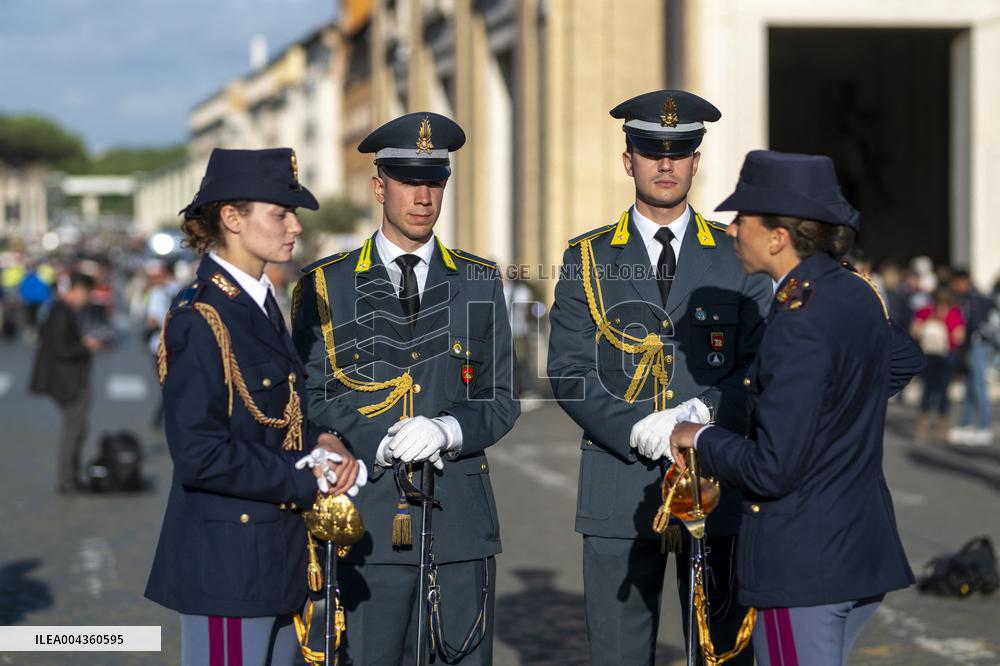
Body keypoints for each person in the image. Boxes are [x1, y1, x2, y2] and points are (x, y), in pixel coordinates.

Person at [670, 150, 925, 666]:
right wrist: (835, 419)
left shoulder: (797, 321)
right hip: (857, 548)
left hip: (804, 563)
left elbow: (772, 469)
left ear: (778, 237)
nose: (732, 228)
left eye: (743, 218)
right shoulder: (850, 289)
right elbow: (901, 359)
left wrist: (699, 436)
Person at [547, 90, 771, 665]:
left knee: (721, 653)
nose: (665, 164)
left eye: (679, 152)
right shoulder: (588, 257)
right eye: (651, 151)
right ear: (629, 161)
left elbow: (760, 364)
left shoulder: (738, 256)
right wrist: (636, 426)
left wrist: (705, 411)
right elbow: (569, 371)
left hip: (715, 479)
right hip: (620, 481)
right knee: (618, 653)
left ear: (697, 161)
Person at [293, 112, 519, 665]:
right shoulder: (326, 284)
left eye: (434, 182)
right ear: (379, 187)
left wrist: (448, 429)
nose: (423, 197)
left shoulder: (479, 281)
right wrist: (379, 442)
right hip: (368, 523)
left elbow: (501, 396)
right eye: (408, 182)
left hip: (459, 524)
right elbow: (310, 396)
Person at [144, 148, 365, 666]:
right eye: (280, 213)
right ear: (232, 218)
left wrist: (323, 440)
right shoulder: (201, 316)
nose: (295, 227)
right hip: (228, 568)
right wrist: (306, 475)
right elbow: (199, 454)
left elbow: (280, 414)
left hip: (278, 558)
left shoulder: (258, 302)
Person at [30, 270, 102, 494]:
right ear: (78, 290)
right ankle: (68, 480)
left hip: (66, 378)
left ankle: (71, 476)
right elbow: (61, 348)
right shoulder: (62, 310)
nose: (88, 299)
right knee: (74, 428)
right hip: (67, 380)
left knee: (78, 428)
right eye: (87, 293)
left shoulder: (60, 309)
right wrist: (86, 347)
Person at [948, 269, 996, 445]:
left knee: (978, 384)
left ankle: (985, 425)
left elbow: (976, 324)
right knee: (969, 385)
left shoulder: (977, 299)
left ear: (963, 280)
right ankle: (966, 423)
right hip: (970, 346)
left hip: (979, 345)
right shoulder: (966, 298)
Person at [912, 285, 965, 442]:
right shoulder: (927, 311)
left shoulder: (953, 313)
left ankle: (939, 425)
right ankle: (925, 425)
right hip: (932, 355)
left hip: (945, 356)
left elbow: (959, 337)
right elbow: (915, 331)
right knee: (929, 390)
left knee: (941, 390)